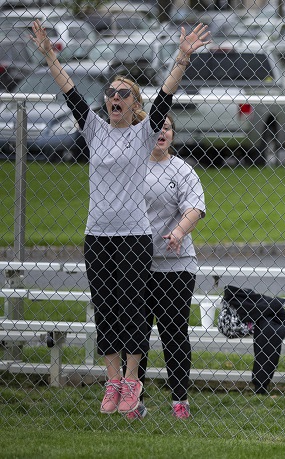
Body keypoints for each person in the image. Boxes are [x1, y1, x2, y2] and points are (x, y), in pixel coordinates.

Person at [29, 20, 210, 416]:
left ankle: (132, 381)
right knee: (105, 309)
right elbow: (70, 92)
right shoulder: (94, 129)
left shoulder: (143, 133)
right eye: (110, 92)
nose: (114, 97)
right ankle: (113, 382)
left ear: (133, 104)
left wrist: (181, 58)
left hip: (133, 236)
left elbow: (165, 95)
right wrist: (48, 55)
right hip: (97, 236)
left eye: (123, 94)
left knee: (132, 310)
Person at [129, 114, 206, 420]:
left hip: (176, 264)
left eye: (167, 127)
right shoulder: (131, 166)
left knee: (174, 332)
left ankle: (179, 400)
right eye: (156, 127)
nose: (161, 132)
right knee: (135, 332)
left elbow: (195, 208)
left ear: (173, 133)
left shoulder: (182, 170)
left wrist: (177, 233)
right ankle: (134, 400)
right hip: (136, 263)